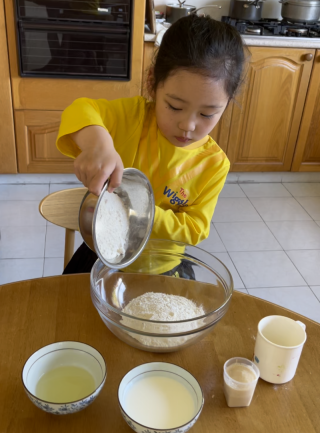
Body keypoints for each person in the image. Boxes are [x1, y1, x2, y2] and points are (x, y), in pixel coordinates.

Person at [56, 14, 247, 275]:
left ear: (226, 103)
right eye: (175, 106)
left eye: (207, 114)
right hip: (102, 256)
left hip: (162, 267)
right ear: (152, 84)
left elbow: (195, 229)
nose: (188, 125)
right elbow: (81, 109)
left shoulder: (213, 164)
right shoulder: (133, 118)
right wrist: (96, 143)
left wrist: (140, 211)